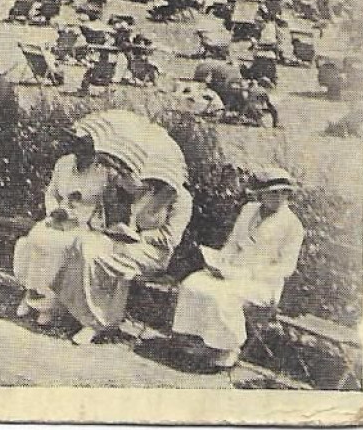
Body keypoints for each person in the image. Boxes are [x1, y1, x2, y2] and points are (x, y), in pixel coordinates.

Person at [55, 143, 193, 346]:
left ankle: (97, 323)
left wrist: (140, 236)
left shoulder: (181, 200)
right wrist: (122, 229)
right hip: (130, 244)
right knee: (85, 243)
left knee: (99, 257)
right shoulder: (149, 190)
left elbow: (171, 238)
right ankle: (78, 310)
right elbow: (128, 198)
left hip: (154, 254)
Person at [172, 167, 305, 369]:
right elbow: (233, 243)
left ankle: (228, 348)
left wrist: (250, 273)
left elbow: (286, 268)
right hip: (232, 270)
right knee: (193, 282)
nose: (278, 197)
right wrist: (220, 263)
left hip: (262, 284)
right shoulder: (249, 210)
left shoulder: (292, 226)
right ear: (260, 194)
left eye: (283, 192)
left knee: (224, 294)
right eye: (272, 193)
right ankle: (200, 339)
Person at [12, 126, 113, 324]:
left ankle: (47, 306)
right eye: (77, 144)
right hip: (57, 217)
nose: (79, 152)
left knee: (57, 246)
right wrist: (54, 210)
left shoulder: (103, 172)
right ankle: (30, 294)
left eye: (85, 147)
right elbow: (52, 193)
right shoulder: (64, 163)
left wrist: (76, 212)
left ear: (95, 150)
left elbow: (101, 205)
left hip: (85, 224)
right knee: (36, 237)